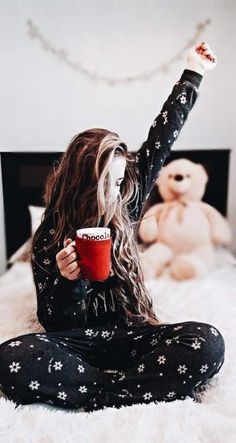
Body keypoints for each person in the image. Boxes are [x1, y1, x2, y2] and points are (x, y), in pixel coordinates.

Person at [0, 42, 225, 412]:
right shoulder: (49, 236)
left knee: (208, 341)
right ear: (80, 181)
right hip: (77, 343)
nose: (114, 192)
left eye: (120, 181)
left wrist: (193, 72)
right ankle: (128, 387)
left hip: (133, 333)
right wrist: (67, 282)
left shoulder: (128, 202)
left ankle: (101, 392)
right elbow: (54, 323)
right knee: (11, 358)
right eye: (106, 181)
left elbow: (160, 141)